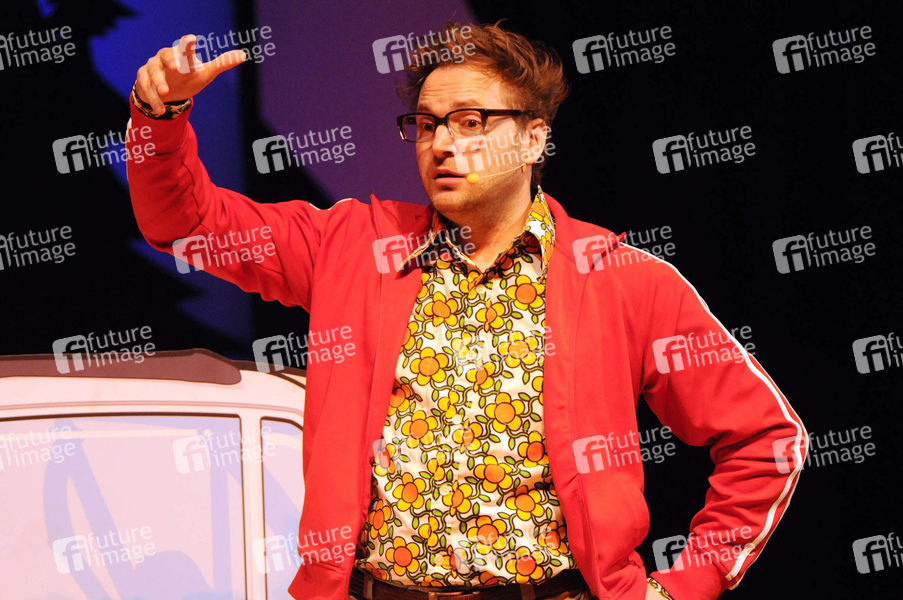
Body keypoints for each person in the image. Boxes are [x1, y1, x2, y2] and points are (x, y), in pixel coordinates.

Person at [128, 21, 806, 600]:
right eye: (426, 125)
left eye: (471, 122)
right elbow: (188, 224)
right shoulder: (352, 246)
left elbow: (767, 440)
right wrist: (159, 118)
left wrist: (686, 585)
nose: (442, 144)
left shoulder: (622, 280)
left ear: (533, 140)